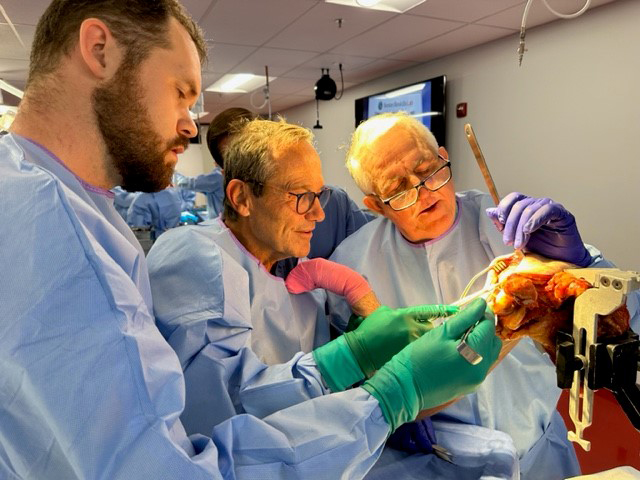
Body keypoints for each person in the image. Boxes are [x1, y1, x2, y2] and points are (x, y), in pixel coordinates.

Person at [0, 3, 501, 479]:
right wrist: (388, 397)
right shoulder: (62, 231)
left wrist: (351, 358)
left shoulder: (57, 203)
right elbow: (184, 447)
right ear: (99, 49)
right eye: (181, 91)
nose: (189, 124)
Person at [147, 118, 517, 479]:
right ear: (242, 197)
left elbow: (312, 411)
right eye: (301, 197)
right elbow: (216, 413)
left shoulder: (303, 284)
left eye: (319, 195)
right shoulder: (197, 253)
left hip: (309, 458)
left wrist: (363, 374)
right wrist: (356, 363)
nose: (320, 213)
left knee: (494, 457)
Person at [327, 112, 632, 480]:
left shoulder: (515, 230)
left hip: (536, 451)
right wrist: (381, 411)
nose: (424, 190)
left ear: (443, 156)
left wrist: (582, 261)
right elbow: (343, 367)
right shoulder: (354, 264)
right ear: (376, 205)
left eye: (428, 170)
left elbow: (616, 314)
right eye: (399, 188)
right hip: (434, 461)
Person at [174, 108, 255, 219]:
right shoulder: (219, 177)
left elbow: (186, 183)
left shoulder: (216, 178)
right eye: (231, 157)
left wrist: (173, 175)